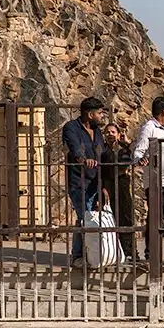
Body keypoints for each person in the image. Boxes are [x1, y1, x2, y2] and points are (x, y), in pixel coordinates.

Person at [132, 95, 164, 267]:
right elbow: (139, 150)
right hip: (156, 184)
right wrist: (140, 160)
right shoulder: (149, 128)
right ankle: (151, 255)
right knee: (155, 220)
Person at [61, 96, 107, 266]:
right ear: (90, 114)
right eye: (100, 113)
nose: (102, 117)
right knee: (84, 216)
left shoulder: (98, 132)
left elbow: (103, 153)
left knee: (87, 218)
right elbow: (73, 148)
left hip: (96, 181)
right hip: (79, 181)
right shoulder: (71, 128)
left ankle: (84, 254)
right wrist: (83, 159)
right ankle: (78, 257)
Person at [102, 122, 143, 263]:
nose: (110, 134)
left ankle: (131, 252)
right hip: (108, 186)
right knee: (111, 219)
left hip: (123, 186)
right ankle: (114, 253)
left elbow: (130, 161)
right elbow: (102, 171)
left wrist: (127, 144)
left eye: (113, 132)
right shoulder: (102, 151)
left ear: (118, 135)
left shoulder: (123, 150)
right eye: (107, 132)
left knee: (126, 218)